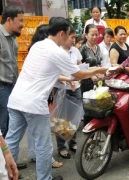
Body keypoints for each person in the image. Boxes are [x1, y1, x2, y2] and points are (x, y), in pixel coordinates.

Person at [5, 17, 107, 180]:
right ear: (61, 34)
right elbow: (78, 74)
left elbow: (52, 73)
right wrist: (100, 69)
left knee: (11, 140)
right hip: (34, 104)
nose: (71, 39)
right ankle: (45, 178)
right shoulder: (57, 51)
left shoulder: (38, 45)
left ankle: (6, 174)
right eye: (69, 35)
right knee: (43, 146)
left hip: (16, 99)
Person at [26, 24, 63, 168]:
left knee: (31, 128)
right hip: (39, 94)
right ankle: (46, 161)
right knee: (43, 132)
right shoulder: (46, 50)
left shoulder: (34, 49)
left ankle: (33, 153)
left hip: (32, 93)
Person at [54, 25, 82, 159]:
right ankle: (61, 146)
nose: (73, 40)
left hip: (76, 87)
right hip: (61, 89)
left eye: (75, 37)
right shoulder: (57, 51)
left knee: (74, 116)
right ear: (64, 36)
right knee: (61, 119)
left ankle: (73, 142)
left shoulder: (75, 51)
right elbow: (56, 70)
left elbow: (80, 66)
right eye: (71, 37)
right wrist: (67, 78)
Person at [0, 5, 23, 138]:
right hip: (1, 87)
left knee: (8, 125)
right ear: (9, 20)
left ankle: (5, 157)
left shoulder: (13, 40)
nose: (23, 25)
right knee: (2, 125)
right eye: (20, 21)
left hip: (11, 87)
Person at [80, 24, 103, 93]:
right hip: (86, 82)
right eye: (92, 35)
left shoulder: (98, 47)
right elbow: (79, 66)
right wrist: (91, 75)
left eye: (96, 35)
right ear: (86, 35)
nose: (95, 37)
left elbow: (99, 63)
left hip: (99, 80)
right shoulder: (83, 49)